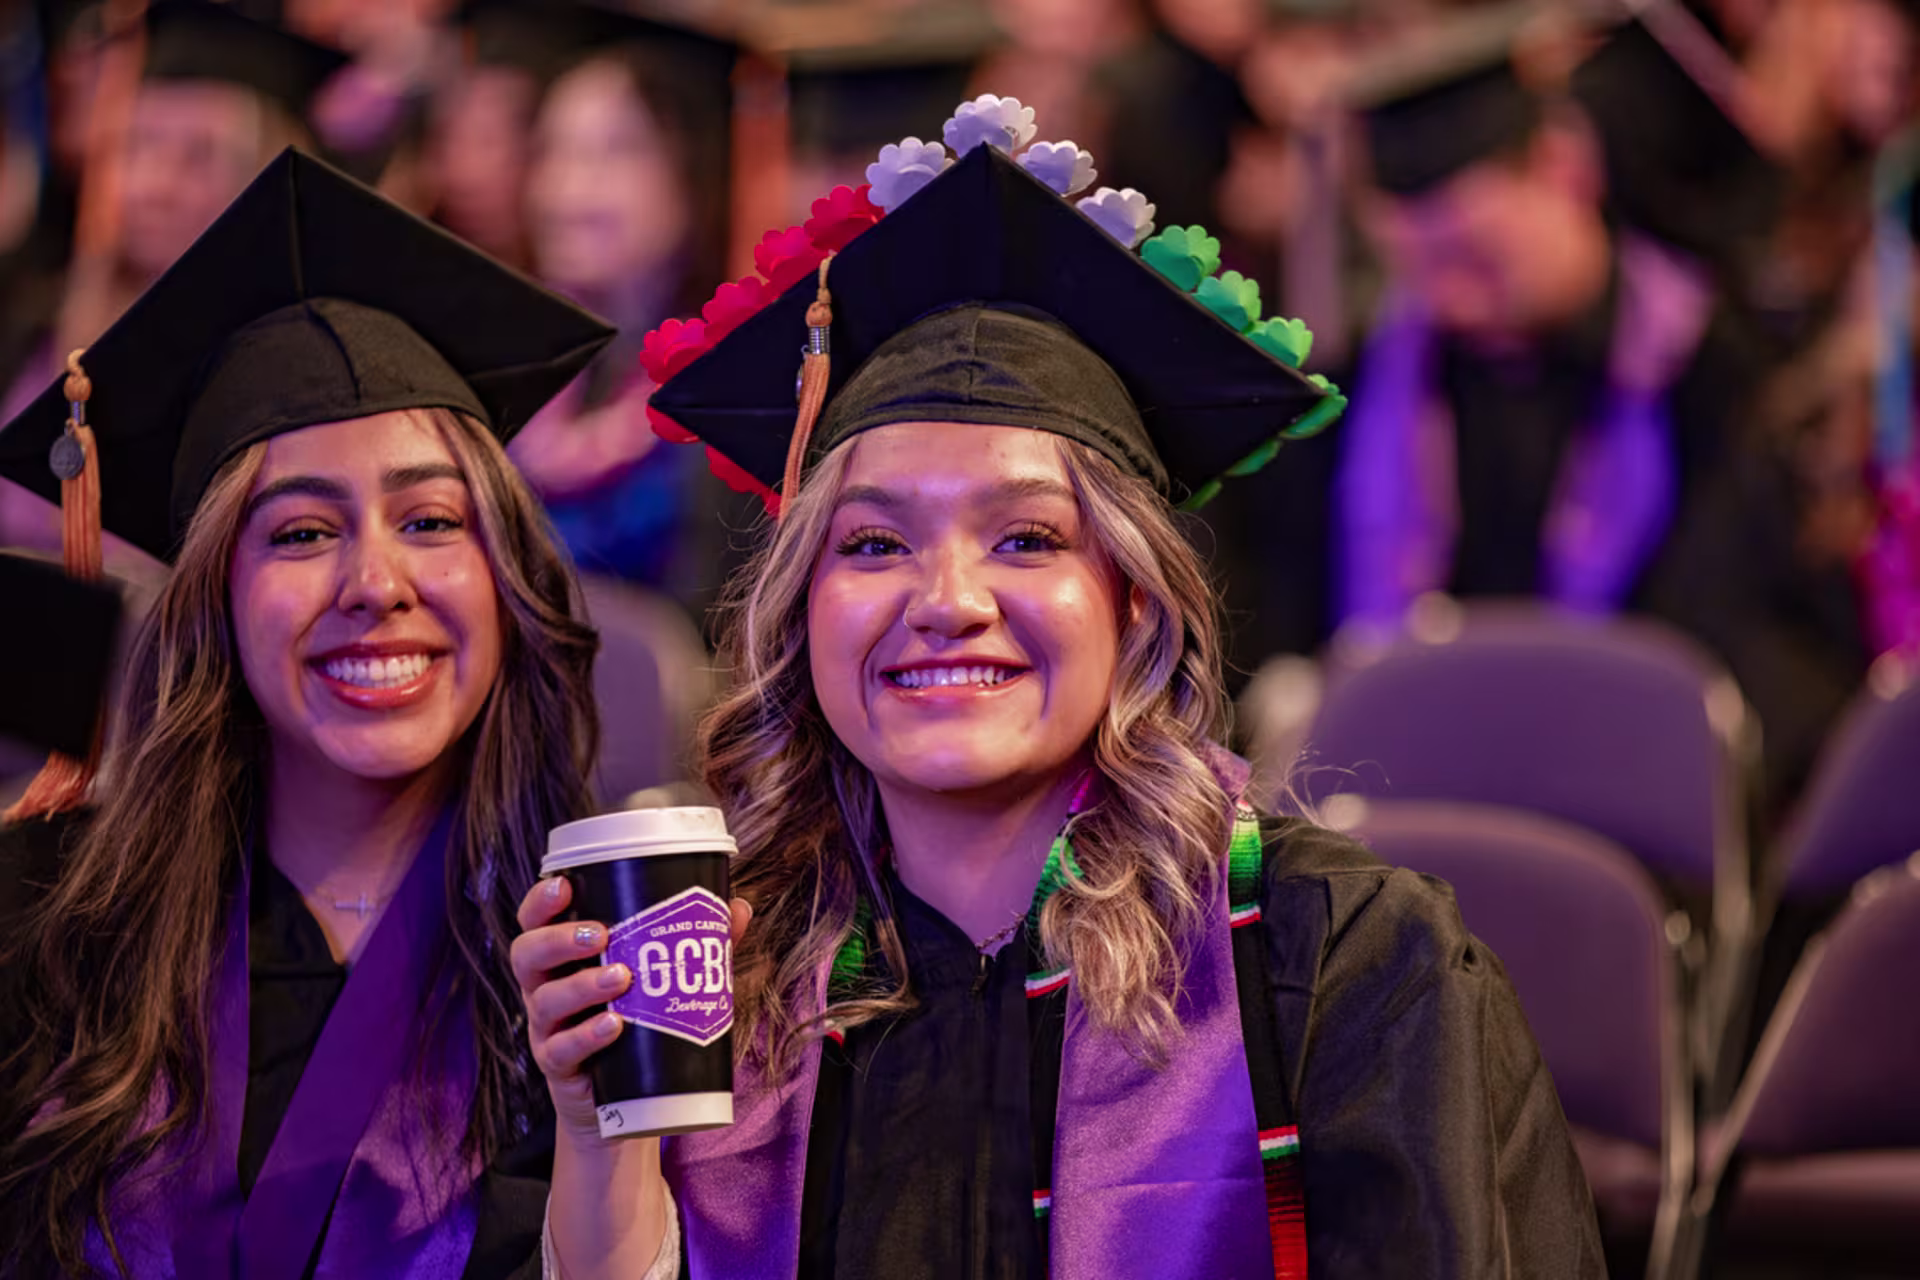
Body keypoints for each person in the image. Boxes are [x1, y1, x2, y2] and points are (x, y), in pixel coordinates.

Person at [514, 95, 1604, 1278]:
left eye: (1028, 539)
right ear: (797, 612)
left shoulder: (1331, 960)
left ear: (1135, 599)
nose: (947, 598)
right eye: (873, 546)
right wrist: (599, 1121)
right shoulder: (723, 972)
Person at [0, 148, 615, 1277]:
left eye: (431, 520)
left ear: (506, 574)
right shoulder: (43, 924)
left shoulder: (593, 947)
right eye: (298, 532)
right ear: (214, 596)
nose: (375, 582)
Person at [1336, 8, 1764, 641]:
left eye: (1475, 256)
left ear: (1567, 167)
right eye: (1418, 268)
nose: (1453, 301)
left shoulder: (1709, 367)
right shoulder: (1378, 372)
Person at [0, 0, 349, 564]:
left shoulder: (295, 377)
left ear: (261, 179)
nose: (153, 185)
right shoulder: (29, 324)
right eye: (136, 146)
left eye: (199, 156)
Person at [508, 2, 741, 605]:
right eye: (550, 150)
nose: (566, 186)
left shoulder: (735, 403)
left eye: (615, 150)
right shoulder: (517, 370)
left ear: (695, 174)